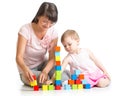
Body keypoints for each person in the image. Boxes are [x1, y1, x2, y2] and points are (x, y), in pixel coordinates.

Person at [46, 29, 111, 88]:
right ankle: (92, 83)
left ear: (77, 41)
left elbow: (96, 61)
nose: (67, 47)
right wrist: (52, 80)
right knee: (80, 82)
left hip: (94, 73)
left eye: (69, 44)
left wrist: (105, 71)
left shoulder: (86, 51)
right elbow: (60, 70)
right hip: (83, 77)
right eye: (65, 46)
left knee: (101, 83)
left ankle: (107, 80)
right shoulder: (68, 58)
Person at [16, 2, 58, 87]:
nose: (48, 25)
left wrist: (45, 71)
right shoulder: (25, 30)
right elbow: (18, 57)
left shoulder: (53, 32)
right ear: (38, 16)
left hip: (43, 64)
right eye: (45, 21)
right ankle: (49, 80)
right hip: (27, 68)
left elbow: (52, 58)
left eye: (51, 23)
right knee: (45, 81)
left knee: (59, 76)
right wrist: (26, 70)